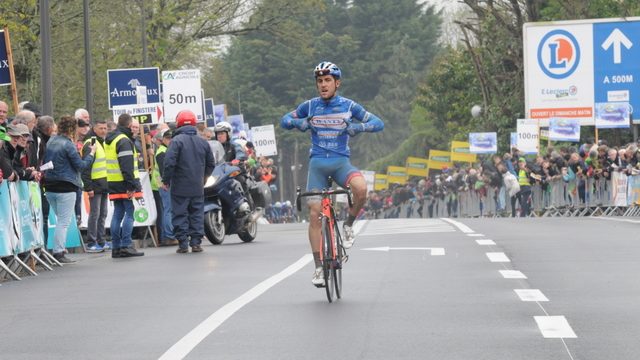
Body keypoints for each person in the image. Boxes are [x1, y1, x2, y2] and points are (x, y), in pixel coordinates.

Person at [280, 61, 384, 286]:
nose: (323, 85)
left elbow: (379, 123)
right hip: (317, 164)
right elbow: (284, 121)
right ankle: (318, 267)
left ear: (337, 83)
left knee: (361, 189)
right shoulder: (309, 106)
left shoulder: (349, 106)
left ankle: (348, 224)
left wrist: (359, 127)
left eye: (327, 81)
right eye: (319, 81)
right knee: (315, 213)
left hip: (340, 164)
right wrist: (300, 123)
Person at [41, 116, 96, 263]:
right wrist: (91, 154)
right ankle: (58, 252)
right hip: (66, 186)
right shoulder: (68, 144)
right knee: (63, 221)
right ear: (72, 129)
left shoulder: (51, 141)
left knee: (60, 220)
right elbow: (81, 166)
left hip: (50, 185)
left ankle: (59, 248)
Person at [162, 110, 215, 253]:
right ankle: (196, 243)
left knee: (180, 213)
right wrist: (203, 178)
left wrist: (166, 180)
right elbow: (211, 163)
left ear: (178, 123)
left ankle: (183, 244)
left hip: (179, 185)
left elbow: (169, 163)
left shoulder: (176, 141)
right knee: (196, 213)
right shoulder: (203, 142)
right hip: (197, 185)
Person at [104, 113, 145, 258]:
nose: (134, 129)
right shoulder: (124, 140)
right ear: (128, 125)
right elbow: (127, 166)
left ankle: (116, 247)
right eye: (133, 126)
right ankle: (126, 245)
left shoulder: (110, 139)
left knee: (117, 214)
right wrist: (131, 185)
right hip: (124, 182)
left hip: (113, 182)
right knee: (129, 213)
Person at [81, 119, 110, 252]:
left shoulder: (102, 142)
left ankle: (101, 240)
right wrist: (89, 187)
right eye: (101, 128)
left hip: (103, 183)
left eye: (105, 128)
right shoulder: (91, 143)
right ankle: (92, 242)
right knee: (95, 214)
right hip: (95, 184)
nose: (103, 131)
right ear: (94, 129)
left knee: (102, 214)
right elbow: (86, 167)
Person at [153, 128, 178, 246]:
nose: (170, 140)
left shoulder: (165, 149)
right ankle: (170, 235)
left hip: (163, 183)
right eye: (167, 138)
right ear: (163, 139)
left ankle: (166, 235)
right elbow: (164, 169)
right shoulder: (162, 151)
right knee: (168, 209)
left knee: (166, 210)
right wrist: (165, 182)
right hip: (164, 183)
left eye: (171, 138)